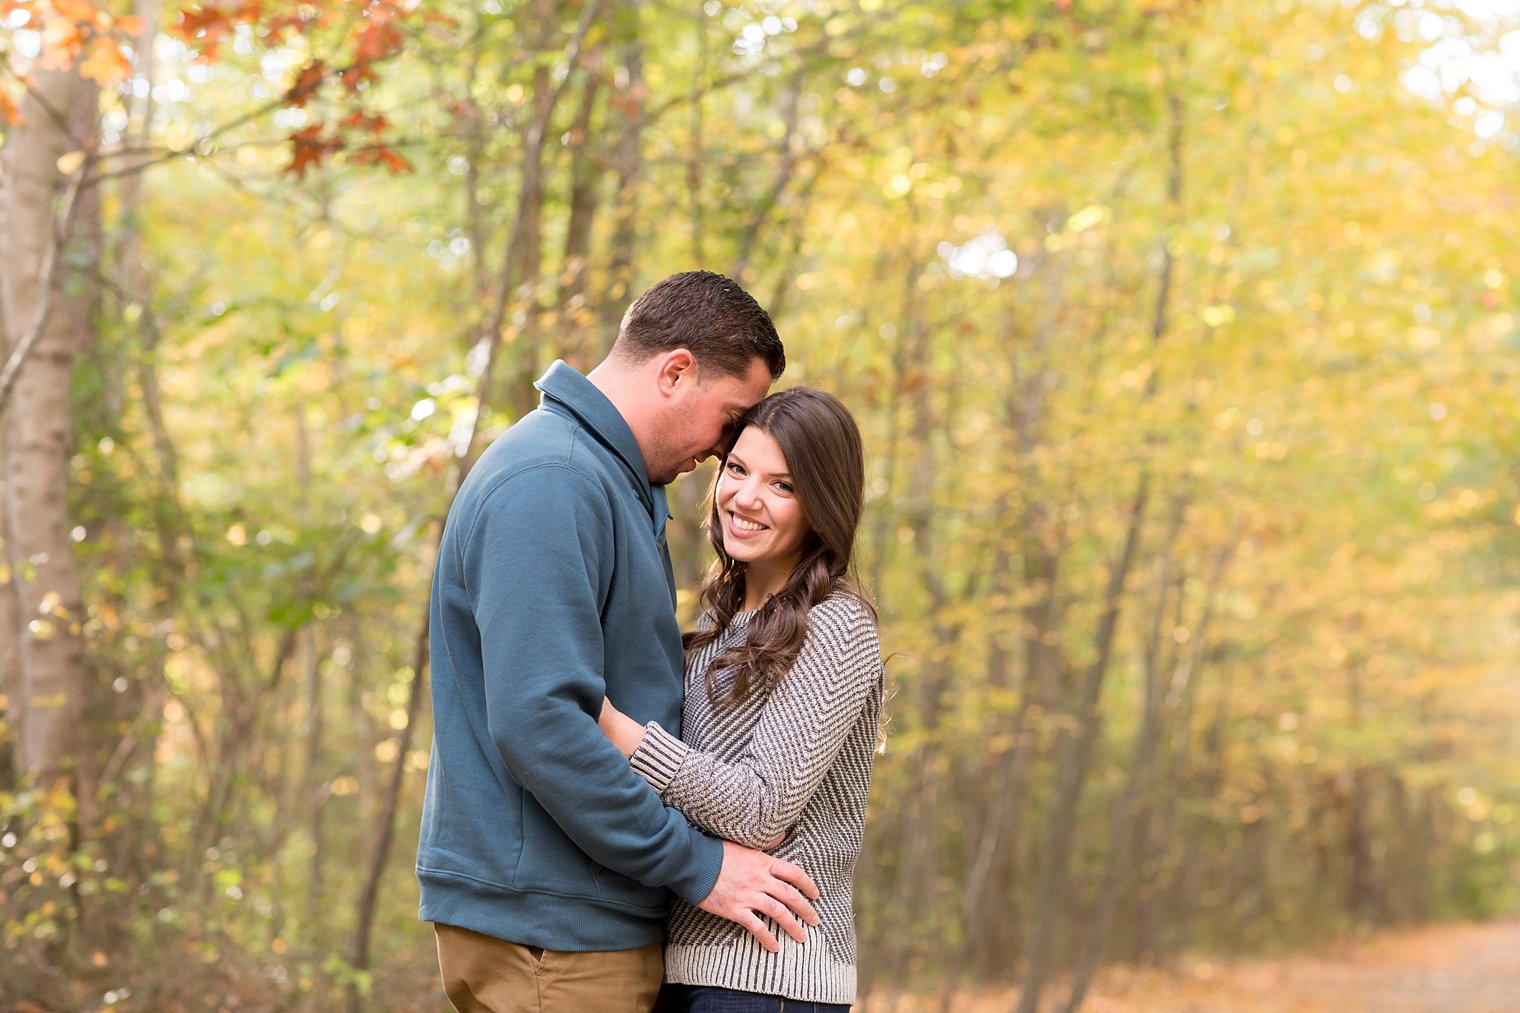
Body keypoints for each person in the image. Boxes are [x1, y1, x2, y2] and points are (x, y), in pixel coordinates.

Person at [417, 271, 823, 1013]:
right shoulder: (554, 479)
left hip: (576, 917)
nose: (726, 446)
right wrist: (697, 864)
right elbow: (542, 721)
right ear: (675, 371)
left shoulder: (606, 481)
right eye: (730, 417)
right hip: (552, 930)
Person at [599, 387, 885, 1012]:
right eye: (737, 469)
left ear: (822, 505)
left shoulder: (837, 626)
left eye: (783, 486)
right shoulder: (716, 627)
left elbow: (761, 811)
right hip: (687, 967)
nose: (746, 498)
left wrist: (618, 732)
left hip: (775, 977)